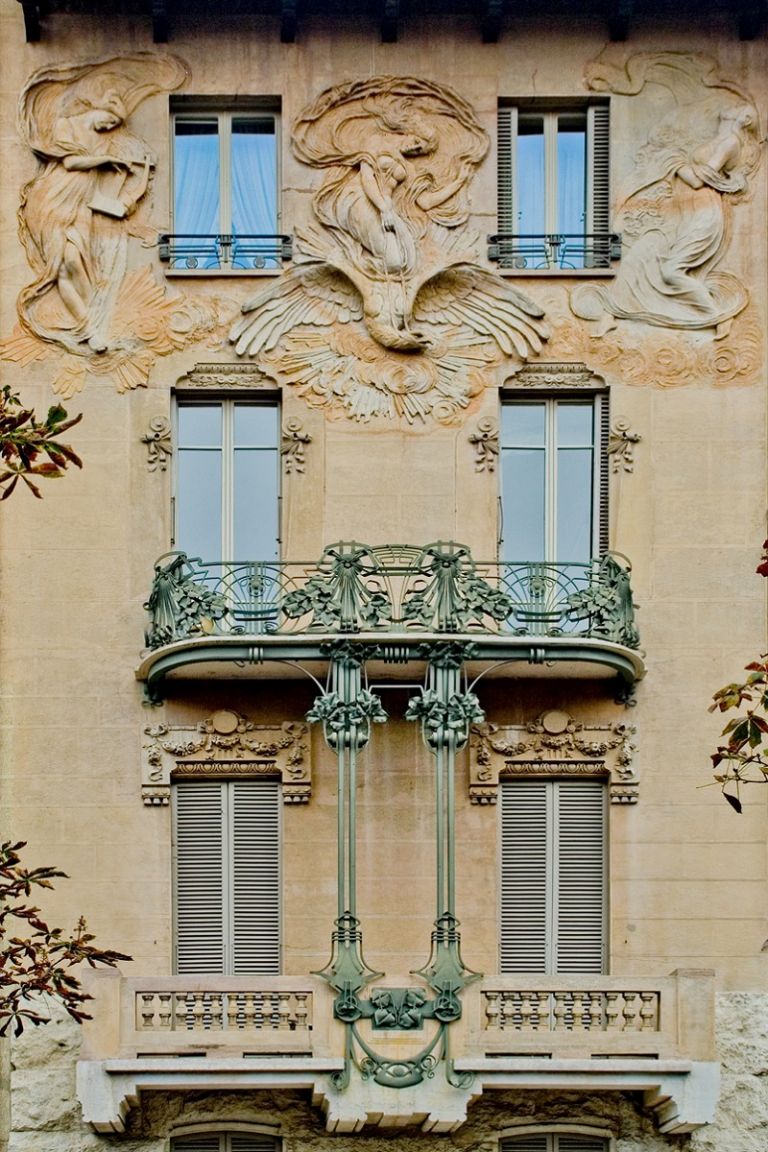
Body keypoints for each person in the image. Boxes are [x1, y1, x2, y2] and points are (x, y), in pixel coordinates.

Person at [18, 87, 152, 353]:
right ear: (100, 107)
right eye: (111, 120)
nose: (110, 126)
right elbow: (70, 163)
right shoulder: (64, 125)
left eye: (115, 125)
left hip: (81, 205)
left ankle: (92, 326)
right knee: (62, 268)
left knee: (76, 264)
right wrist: (107, 160)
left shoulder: (101, 141)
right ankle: (90, 330)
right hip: (54, 200)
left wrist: (140, 177)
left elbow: (110, 195)